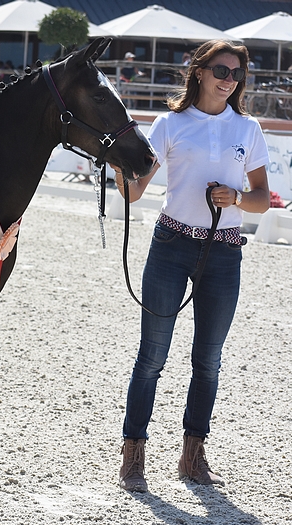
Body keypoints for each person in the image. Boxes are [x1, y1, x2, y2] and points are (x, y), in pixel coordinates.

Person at [115, 40, 270, 493]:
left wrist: (237, 198)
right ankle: (133, 457)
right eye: (221, 70)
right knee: (151, 357)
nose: (229, 80)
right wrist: (121, 174)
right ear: (199, 71)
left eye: (237, 74)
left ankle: (193, 457)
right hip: (170, 246)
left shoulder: (249, 128)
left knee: (209, 361)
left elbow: (263, 198)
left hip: (225, 252)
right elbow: (136, 191)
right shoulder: (170, 123)